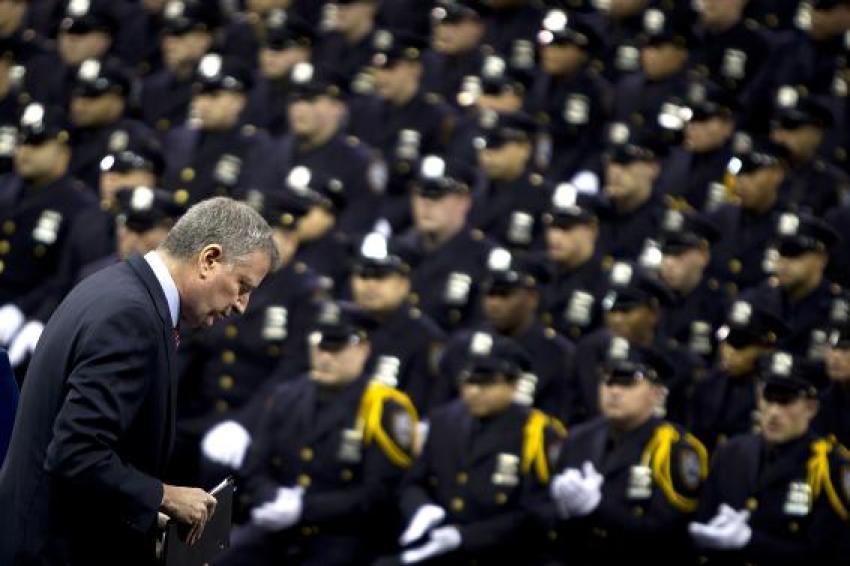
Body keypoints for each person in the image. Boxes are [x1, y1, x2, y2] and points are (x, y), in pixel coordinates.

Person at [0, 196, 278, 565]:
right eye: (242, 285)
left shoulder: (119, 287)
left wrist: (144, 507)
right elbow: (76, 453)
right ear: (209, 259)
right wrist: (164, 495)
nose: (242, 304)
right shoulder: (132, 317)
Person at [216, 300, 418, 565]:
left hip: (342, 536)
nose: (325, 356)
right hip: (279, 527)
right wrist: (272, 497)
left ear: (363, 349)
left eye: (336, 348)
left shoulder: (383, 408)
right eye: (321, 345)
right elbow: (255, 466)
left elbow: (378, 493)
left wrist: (305, 508)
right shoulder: (287, 395)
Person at [396, 331, 565, 564]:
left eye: (486, 382)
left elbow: (536, 515)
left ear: (513, 384)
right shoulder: (443, 420)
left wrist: (465, 537)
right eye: (469, 381)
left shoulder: (537, 432)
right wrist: (421, 507)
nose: (474, 391)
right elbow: (414, 482)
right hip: (441, 552)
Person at [542, 338, 708, 566]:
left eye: (627, 382)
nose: (614, 391)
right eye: (607, 380)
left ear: (657, 392)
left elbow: (669, 533)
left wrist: (597, 508)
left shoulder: (674, 448)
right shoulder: (578, 438)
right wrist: (560, 509)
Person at [689, 351, 850, 565]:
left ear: (811, 408)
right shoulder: (731, 452)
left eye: (786, 401)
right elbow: (704, 521)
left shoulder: (829, 466)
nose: (774, 412)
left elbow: (828, 553)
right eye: (769, 398)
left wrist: (751, 541)